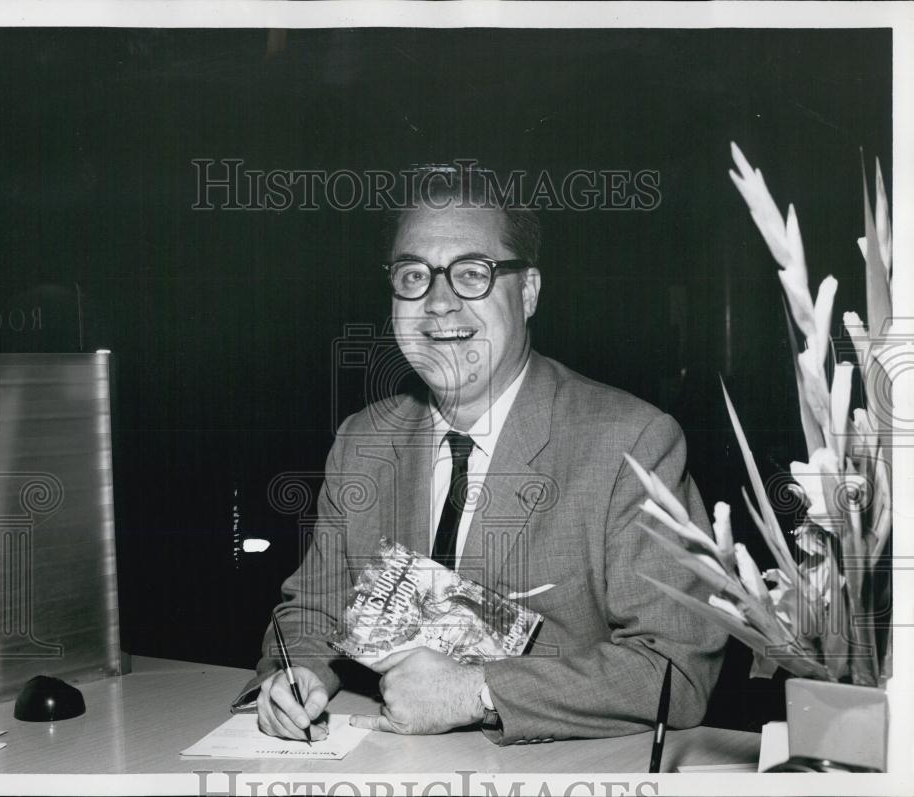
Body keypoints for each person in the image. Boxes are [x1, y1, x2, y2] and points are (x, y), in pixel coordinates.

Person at [251, 167, 726, 745]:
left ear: (527, 292)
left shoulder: (630, 443)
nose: (439, 304)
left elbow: (676, 670)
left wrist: (476, 692)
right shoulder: (363, 441)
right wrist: (294, 674)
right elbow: (310, 614)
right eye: (413, 276)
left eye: (472, 274)